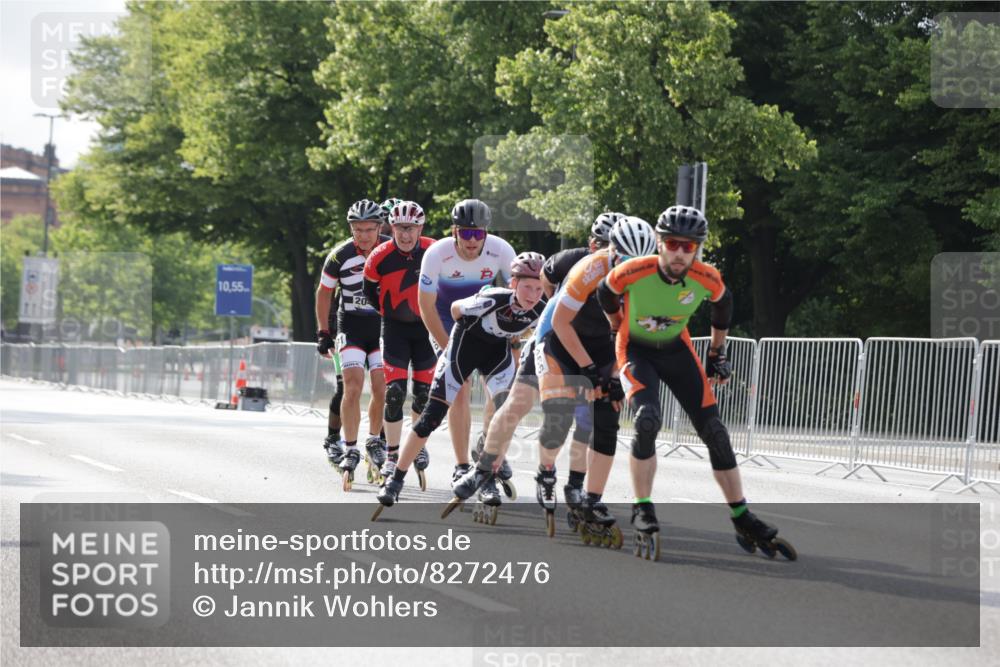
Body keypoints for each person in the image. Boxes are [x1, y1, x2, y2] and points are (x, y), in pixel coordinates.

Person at [597, 205, 788, 561]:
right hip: (636, 349)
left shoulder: (707, 277)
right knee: (647, 420)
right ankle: (642, 507)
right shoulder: (634, 270)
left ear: (698, 247)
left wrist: (717, 353)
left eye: (689, 246)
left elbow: (723, 306)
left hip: (676, 350)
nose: (680, 252)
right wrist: (614, 326)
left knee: (715, 431)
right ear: (659, 243)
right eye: (673, 243)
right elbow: (604, 294)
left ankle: (741, 515)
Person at [451, 212, 624, 532]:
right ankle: (484, 468)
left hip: (599, 347)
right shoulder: (571, 261)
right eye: (603, 245)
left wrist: (613, 377)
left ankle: (581, 490)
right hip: (556, 338)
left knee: (602, 416)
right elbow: (545, 292)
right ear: (592, 244)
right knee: (518, 404)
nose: (610, 253)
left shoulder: (629, 274)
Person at [373, 253, 548, 518]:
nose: (533, 294)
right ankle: (396, 478)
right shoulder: (495, 297)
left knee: (506, 413)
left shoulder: (541, 308)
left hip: (496, 355)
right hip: (463, 350)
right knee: (431, 418)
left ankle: (487, 474)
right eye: (527, 287)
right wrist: (468, 324)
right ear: (513, 283)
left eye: (538, 288)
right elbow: (455, 309)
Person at [416, 198, 516, 482]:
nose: (473, 241)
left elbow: (520, 296)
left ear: (486, 233)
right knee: (458, 387)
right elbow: (425, 305)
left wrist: (516, 337)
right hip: (446, 321)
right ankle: (461, 466)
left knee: (500, 390)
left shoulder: (501, 250)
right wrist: (448, 348)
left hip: (486, 322)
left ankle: (488, 444)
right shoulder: (437, 254)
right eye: (466, 233)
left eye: (479, 234)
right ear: (454, 232)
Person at [316, 199, 390, 490]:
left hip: (383, 326)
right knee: (352, 385)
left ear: (379, 227)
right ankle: (349, 447)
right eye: (357, 230)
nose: (362, 236)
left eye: (368, 230)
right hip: (351, 326)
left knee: (383, 386)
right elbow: (324, 292)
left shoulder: (390, 250)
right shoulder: (340, 255)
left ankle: (375, 441)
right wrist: (323, 331)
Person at [363, 200, 436, 487]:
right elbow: (370, 292)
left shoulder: (434, 251)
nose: (405, 235)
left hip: (426, 329)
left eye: (411, 229)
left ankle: (416, 445)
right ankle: (392, 455)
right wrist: (389, 314)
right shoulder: (380, 256)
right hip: (393, 329)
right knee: (394, 392)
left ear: (420, 228)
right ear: (390, 227)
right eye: (400, 229)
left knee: (423, 395)